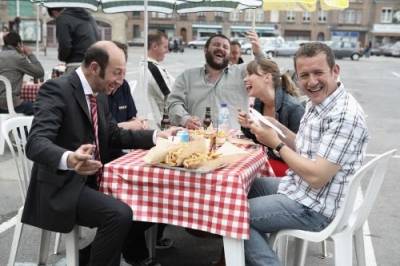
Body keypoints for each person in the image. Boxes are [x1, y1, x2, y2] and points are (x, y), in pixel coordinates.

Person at [21, 41, 176, 266]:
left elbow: (113, 134)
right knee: (118, 215)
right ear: (94, 68)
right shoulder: (57, 89)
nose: (121, 80)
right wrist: (69, 158)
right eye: (117, 73)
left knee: (150, 203)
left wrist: (156, 137)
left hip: (91, 180)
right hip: (60, 187)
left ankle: (91, 256)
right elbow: (36, 143)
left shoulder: (99, 95)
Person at [243, 42, 369, 266]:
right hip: (302, 190)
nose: (311, 81)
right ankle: (250, 251)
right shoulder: (320, 101)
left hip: (317, 208)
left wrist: (276, 145)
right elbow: (302, 144)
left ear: (335, 71)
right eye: (305, 75)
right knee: (244, 187)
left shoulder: (343, 115)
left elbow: (317, 177)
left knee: (234, 215)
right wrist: (276, 127)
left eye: (318, 73)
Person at [167, 31, 264, 130]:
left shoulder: (242, 73)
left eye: (225, 47)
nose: (221, 48)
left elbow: (267, 71)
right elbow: (173, 102)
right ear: (205, 50)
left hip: (234, 142)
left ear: (229, 54)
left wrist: (259, 52)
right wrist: (185, 119)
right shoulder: (187, 76)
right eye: (216, 45)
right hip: (198, 140)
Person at [238, 58, 305, 176]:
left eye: (250, 74)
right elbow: (258, 139)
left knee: (246, 173)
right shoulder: (259, 102)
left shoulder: (293, 109)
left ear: (267, 78)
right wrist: (247, 125)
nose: (245, 79)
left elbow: (302, 152)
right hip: (268, 161)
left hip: (291, 169)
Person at [137, 31, 175, 130]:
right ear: (154, 46)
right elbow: (171, 96)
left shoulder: (147, 66)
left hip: (155, 123)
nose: (167, 51)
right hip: (159, 125)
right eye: (165, 47)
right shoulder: (152, 68)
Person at [0, 31, 44, 115]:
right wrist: (30, 55)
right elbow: (40, 73)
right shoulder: (18, 58)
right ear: (19, 44)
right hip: (11, 103)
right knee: (41, 109)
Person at [47, 7, 100, 74]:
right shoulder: (89, 17)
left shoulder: (63, 18)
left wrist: (62, 57)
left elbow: (65, 45)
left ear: (54, 12)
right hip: (93, 64)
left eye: (54, 17)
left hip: (75, 65)